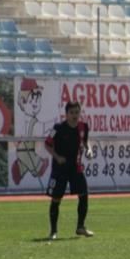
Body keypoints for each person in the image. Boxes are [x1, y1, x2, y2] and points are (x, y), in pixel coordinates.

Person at [44, 101, 94, 240]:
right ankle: (53, 231)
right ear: (66, 114)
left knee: (84, 194)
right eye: (71, 113)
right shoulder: (58, 128)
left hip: (76, 167)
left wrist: (89, 150)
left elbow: (85, 142)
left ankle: (80, 227)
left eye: (77, 112)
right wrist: (57, 156)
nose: (74, 115)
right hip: (60, 169)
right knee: (56, 199)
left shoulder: (83, 127)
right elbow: (47, 144)